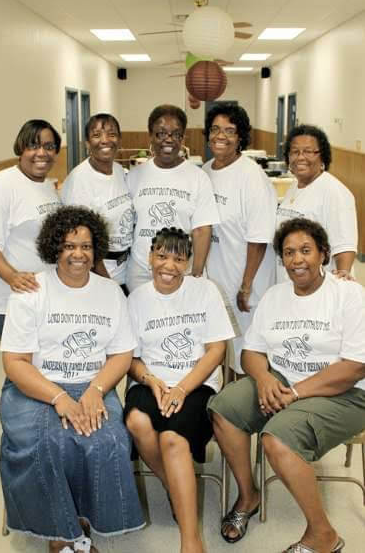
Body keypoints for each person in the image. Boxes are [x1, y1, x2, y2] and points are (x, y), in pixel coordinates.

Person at [208, 217, 365, 553]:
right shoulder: (275, 296)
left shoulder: (349, 294)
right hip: (282, 379)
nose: (297, 260)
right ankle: (248, 496)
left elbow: (354, 367)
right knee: (224, 408)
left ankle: (323, 535)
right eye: (289, 252)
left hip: (346, 394)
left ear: (323, 253)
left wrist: (295, 393)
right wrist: (264, 378)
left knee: (277, 439)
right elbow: (251, 351)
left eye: (306, 250)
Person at [0, 205, 145, 553]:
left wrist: (97, 389)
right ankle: (61, 535)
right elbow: (15, 362)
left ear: (96, 249)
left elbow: (121, 354)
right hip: (35, 385)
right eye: (68, 246)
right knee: (47, 442)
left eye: (86, 246)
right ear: (54, 247)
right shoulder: (31, 289)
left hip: (93, 383)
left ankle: (82, 519)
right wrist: (59, 398)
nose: (78, 254)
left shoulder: (110, 292)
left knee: (108, 440)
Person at [124, 227, 234, 553]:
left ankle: (191, 541)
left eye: (178, 259)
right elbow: (129, 358)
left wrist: (183, 388)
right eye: (161, 256)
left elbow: (216, 350)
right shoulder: (136, 299)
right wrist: (151, 380)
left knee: (172, 439)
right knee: (137, 422)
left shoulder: (205, 291)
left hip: (196, 383)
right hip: (151, 381)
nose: (169, 266)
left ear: (187, 262)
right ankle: (175, 487)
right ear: (150, 257)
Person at [0, 119, 62, 338]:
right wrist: (12, 277)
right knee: (20, 359)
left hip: (44, 297)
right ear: (21, 148)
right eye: (33, 145)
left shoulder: (46, 186)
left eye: (49, 146)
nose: (42, 153)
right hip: (10, 302)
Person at [203, 102, 277, 375]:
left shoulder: (251, 176)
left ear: (241, 137)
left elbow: (259, 237)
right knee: (225, 352)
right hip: (219, 279)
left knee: (249, 354)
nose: (220, 136)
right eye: (215, 129)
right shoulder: (206, 171)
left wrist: (246, 285)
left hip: (247, 284)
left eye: (229, 130)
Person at [126, 104, 219, 292]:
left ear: (183, 137)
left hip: (180, 272)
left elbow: (202, 230)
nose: (168, 139)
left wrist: (196, 274)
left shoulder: (198, 177)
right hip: (141, 272)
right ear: (150, 135)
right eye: (161, 133)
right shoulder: (134, 176)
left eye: (176, 134)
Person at [61, 113, 134, 290]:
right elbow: (79, 240)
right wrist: (106, 282)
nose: (105, 140)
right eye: (96, 135)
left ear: (119, 140)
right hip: (98, 274)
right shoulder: (79, 180)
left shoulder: (119, 171)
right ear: (87, 143)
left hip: (126, 269)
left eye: (112, 134)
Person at [276, 124, 357, 282]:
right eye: (295, 151)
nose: (300, 157)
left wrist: (342, 282)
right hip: (293, 283)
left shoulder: (335, 192)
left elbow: (344, 245)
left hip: (319, 286)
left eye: (308, 151)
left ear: (322, 157)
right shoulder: (295, 186)